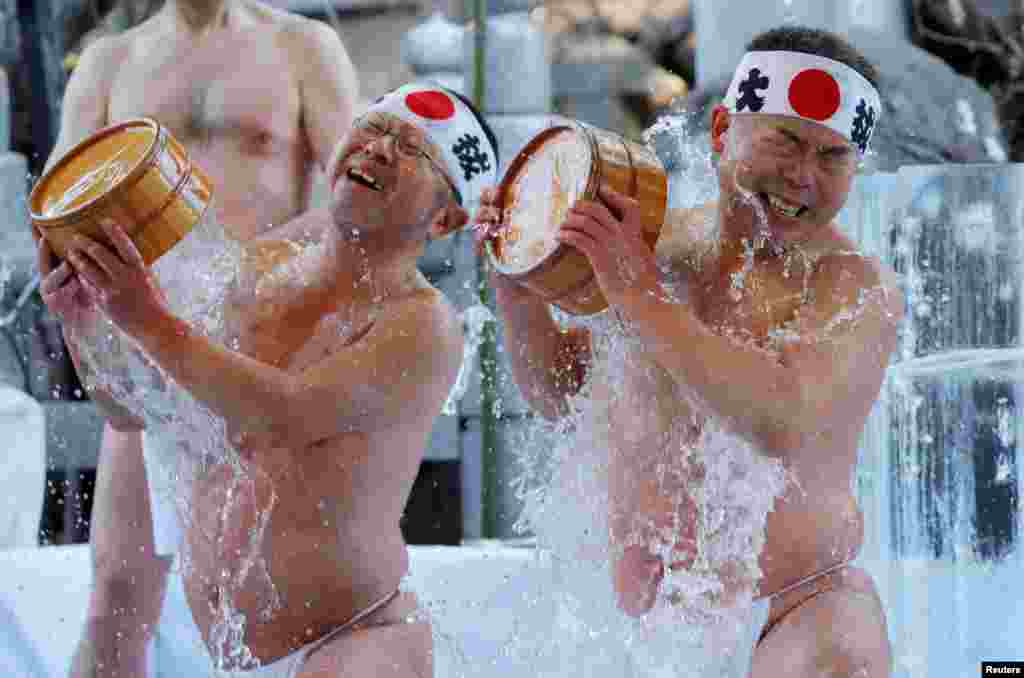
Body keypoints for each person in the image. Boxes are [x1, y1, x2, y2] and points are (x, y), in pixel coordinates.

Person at [476, 26, 902, 677]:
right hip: (648, 630)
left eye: (833, 156)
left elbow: (781, 422)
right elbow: (562, 391)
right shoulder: (661, 244)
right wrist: (517, 288)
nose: (803, 175)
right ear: (722, 130)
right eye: (785, 141)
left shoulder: (851, 286)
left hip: (796, 616)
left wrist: (639, 293)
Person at [41, 82, 498, 678]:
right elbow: (135, 409)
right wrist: (85, 324)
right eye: (375, 128)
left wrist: (144, 318)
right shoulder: (265, 265)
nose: (379, 150)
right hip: (235, 654)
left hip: (357, 644)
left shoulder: (424, 324)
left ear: (447, 216)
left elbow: (279, 417)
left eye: (412, 150)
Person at [35, 1, 358, 675]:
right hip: (149, 352)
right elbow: (56, 210)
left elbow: (353, 207)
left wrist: (240, 274)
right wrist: (76, 288)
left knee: (306, 603)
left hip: (274, 348)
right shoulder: (107, 63)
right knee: (118, 600)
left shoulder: (304, 47)